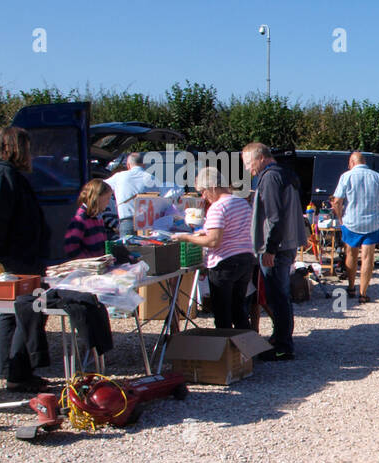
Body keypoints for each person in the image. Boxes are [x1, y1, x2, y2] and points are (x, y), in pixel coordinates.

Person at [0, 127, 51, 391]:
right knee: (26, 312)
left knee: (10, 314)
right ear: (17, 148)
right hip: (17, 256)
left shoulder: (4, 172)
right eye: (28, 148)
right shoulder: (4, 173)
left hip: (17, 254)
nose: (31, 154)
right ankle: (17, 374)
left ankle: (11, 373)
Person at [172, 166, 256, 330]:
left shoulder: (218, 207)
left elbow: (213, 241)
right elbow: (237, 229)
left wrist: (186, 237)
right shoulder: (242, 203)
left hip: (224, 263)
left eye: (203, 191)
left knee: (222, 314)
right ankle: (245, 353)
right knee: (239, 310)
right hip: (245, 259)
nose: (203, 196)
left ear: (211, 187)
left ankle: (225, 352)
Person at [246, 141, 305, 361]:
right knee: (280, 295)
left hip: (277, 247)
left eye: (248, 162)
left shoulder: (270, 178)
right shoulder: (285, 173)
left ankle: (283, 346)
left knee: (277, 296)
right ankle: (282, 338)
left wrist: (269, 249)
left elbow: (274, 217)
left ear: (261, 158)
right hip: (287, 242)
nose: (248, 168)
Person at [332, 151, 379, 302]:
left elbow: (337, 201)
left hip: (351, 221)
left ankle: (351, 287)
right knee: (368, 257)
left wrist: (340, 218)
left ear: (351, 163)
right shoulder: (377, 177)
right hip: (372, 222)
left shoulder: (346, 176)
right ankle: (363, 293)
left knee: (351, 254)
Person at [105, 152, 161, 237]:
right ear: (144, 165)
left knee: (128, 249)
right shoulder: (153, 179)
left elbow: (100, 187)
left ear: (128, 165)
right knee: (147, 249)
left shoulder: (119, 177)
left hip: (127, 222)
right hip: (148, 224)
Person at [64, 179, 115, 259]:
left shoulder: (98, 217)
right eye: (107, 198)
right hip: (88, 268)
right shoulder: (80, 219)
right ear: (97, 197)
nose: (108, 202)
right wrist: (89, 262)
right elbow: (70, 246)